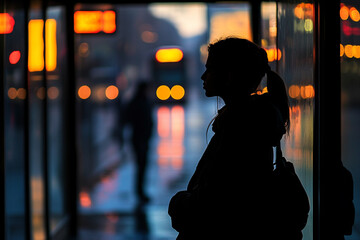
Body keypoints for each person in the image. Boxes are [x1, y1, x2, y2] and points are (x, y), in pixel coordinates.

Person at [168, 37, 291, 239]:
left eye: (210, 69)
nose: (203, 76)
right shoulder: (251, 122)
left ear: (229, 76)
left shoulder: (239, 129)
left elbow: (213, 205)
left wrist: (177, 203)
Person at [121, 81, 154, 203]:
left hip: (140, 138)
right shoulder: (142, 102)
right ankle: (140, 192)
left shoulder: (136, 101)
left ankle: (140, 191)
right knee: (141, 166)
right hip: (140, 138)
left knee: (141, 166)